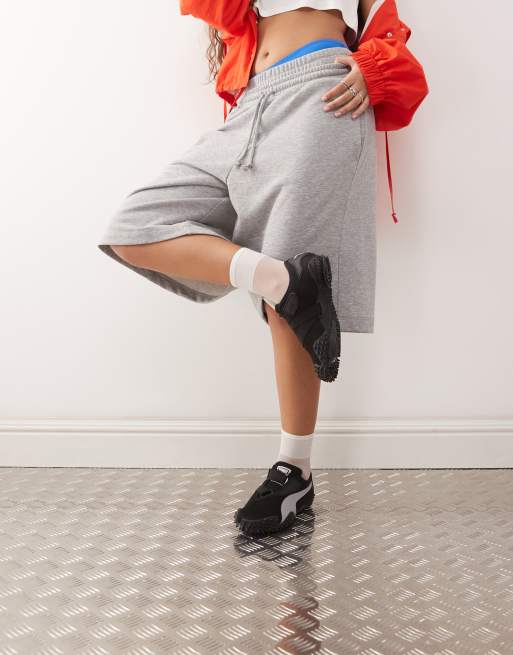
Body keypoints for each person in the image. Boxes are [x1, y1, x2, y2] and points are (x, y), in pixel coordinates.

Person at [97, 0, 429, 536]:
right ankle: (281, 279)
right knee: (135, 225)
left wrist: (374, 69)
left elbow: (388, 28)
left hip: (323, 94)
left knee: (289, 306)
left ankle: (293, 469)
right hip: (250, 103)